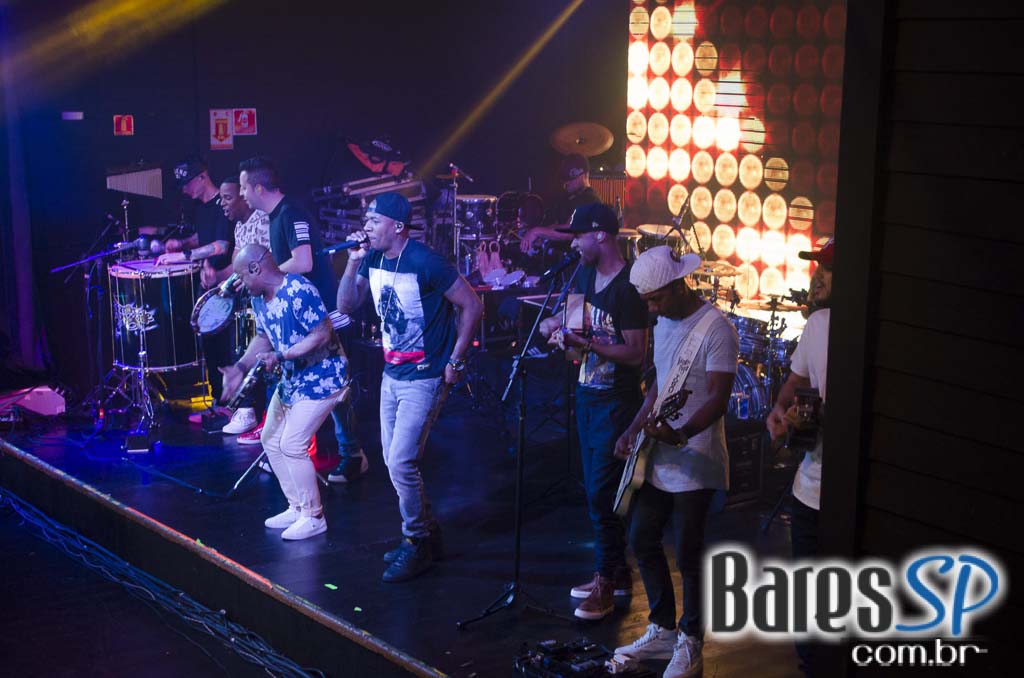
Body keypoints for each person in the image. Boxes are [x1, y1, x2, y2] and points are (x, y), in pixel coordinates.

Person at [337, 192, 483, 582]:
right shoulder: (371, 258)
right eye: (366, 220)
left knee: (401, 461)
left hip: (426, 374)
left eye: (374, 220)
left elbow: (472, 305)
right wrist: (352, 263)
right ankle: (429, 534)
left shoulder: (425, 261)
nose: (367, 226)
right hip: (392, 373)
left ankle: (416, 541)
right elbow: (346, 306)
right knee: (393, 461)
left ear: (398, 227)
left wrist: (456, 359)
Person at [613, 246, 738, 678]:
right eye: (647, 302)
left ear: (679, 285)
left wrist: (682, 432)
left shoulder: (717, 329)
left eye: (657, 299)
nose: (652, 309)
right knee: (642, 537)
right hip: (661, 455)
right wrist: (634, 427)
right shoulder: (664, 321)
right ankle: (664, 628)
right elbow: (660, 386)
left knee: (689, 553)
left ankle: (692, 641)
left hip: (697, 459)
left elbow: (719, 398)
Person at [537, 202, 648, 620]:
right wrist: (555, 329)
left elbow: (636, 353)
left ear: (600, 235)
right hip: (586, 394)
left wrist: (587, 344)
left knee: (602, 492)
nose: (574, 244)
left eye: (579, 236)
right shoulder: (584, 275)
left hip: (616, 402)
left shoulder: (629, 288)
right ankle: (616, 574)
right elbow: (571, 324)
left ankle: (606, 579)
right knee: (594, 491)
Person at [238, 157, 367, 481]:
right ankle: (311, 448)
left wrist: (265, 275)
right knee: (318, 384)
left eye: (243, 187)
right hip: (305, 314)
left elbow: (304, 261)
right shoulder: (277, 216)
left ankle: (350, 454)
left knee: (335, 387)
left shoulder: (290, 213)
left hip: (324, 311)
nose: (241, 194)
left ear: (258, 188)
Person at [219, 245, 349, 541]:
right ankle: (298, 507)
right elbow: (263, 337)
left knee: (292, 444)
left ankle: (314, 516)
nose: (239, 283)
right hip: (294, 378)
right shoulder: (258, 298)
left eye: (241, 275)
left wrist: (281, 356)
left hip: (324, 377)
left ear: (255, 268)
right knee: (271, 439)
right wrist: (240, 367)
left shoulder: (298, 289)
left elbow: (322, 334)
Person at [765, 237, 833, 678]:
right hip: (809, 486)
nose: (817, 277)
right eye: (817, 268)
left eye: (828, 270)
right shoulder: (818, 324)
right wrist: (779, 410)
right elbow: (794, 385)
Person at [158, 156, 235, 407]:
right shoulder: (202, 208)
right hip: (209, 287)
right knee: (210, 347)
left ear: (203, 177)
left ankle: (229, 405)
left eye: (187, 183)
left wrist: (184, 255)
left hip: (228, 286)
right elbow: (204, 237)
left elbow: (221, 245)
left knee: (224, 350)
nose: (184, 189)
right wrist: (181, 243)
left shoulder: (224, 204)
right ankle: (218, 403)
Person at [217, 175, 270, 436]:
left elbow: (270, 265)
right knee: (241, 348)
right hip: (248, 300)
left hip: (267, 299)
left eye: (227, 197)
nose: (222, 203)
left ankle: (262, 417)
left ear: (243, 196)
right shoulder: (239, 226)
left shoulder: (264, 220)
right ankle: (246, 410)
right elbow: (237, 263)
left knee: (264, 358)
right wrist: (221, 281)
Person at [519, 153, 601, 253]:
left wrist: (536, 231)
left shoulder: (590, 199)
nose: (566, 183)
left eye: (571, 179)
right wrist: (542, 235)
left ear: (583, 175)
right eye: (565, 180)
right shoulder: (571, 198)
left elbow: (569, 231)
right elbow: (559, 226)